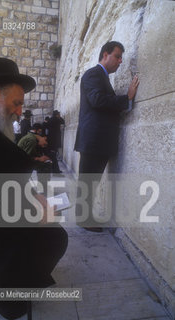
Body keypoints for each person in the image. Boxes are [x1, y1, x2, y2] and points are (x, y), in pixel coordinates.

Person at [0, 57, 68, 319]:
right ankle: (3, 298)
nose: (20, 112)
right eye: (17, 103)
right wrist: (33, 209)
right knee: (53, 238)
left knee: (50, 229)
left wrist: (34, 198)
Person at [74, 41, 139, 232]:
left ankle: (85, 217)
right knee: (88, 181)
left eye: (121, 58)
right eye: (117, 56)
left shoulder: (102, 77)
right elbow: (97, 100)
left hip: (96, 141)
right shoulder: (93, 74)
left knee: (90, 181)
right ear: (105, 55)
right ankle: (84, 219)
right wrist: (126, 98)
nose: (120, 61)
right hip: (94, 140)